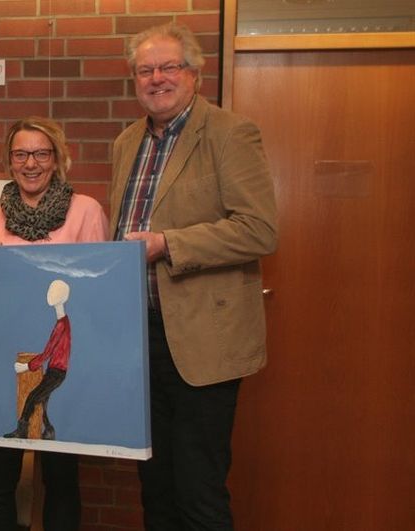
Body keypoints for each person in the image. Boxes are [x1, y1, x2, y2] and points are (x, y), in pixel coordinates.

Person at [110, 23, 277, 530]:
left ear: (196, 75)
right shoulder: (126, 142)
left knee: (198, 493)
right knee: (155, 490)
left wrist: (168, 244)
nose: (156, 78)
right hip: (142, 344)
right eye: (145, 69)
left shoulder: (230, 132)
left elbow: (258, 230)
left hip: (204, 345)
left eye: (168, 67)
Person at [0, 116, 108, 531]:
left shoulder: (86, 211)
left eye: (41, 153)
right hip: (6, 361)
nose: (30, 163)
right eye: (20, 154)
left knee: (61, 479)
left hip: (62, 361)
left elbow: (98, 293)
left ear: (57, 159)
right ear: (9, 161)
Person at [5, 279, 71, 441]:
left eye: (53, 291)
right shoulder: (62, 323)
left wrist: (26, 366)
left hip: (56, 372)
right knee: (41, 400)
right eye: (50, 290)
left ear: (62, 297)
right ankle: (49, 431)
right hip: (55, 370)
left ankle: (22, 430)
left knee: (33, 397)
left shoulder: (61, 326)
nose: (49, 294)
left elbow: (48, 351)